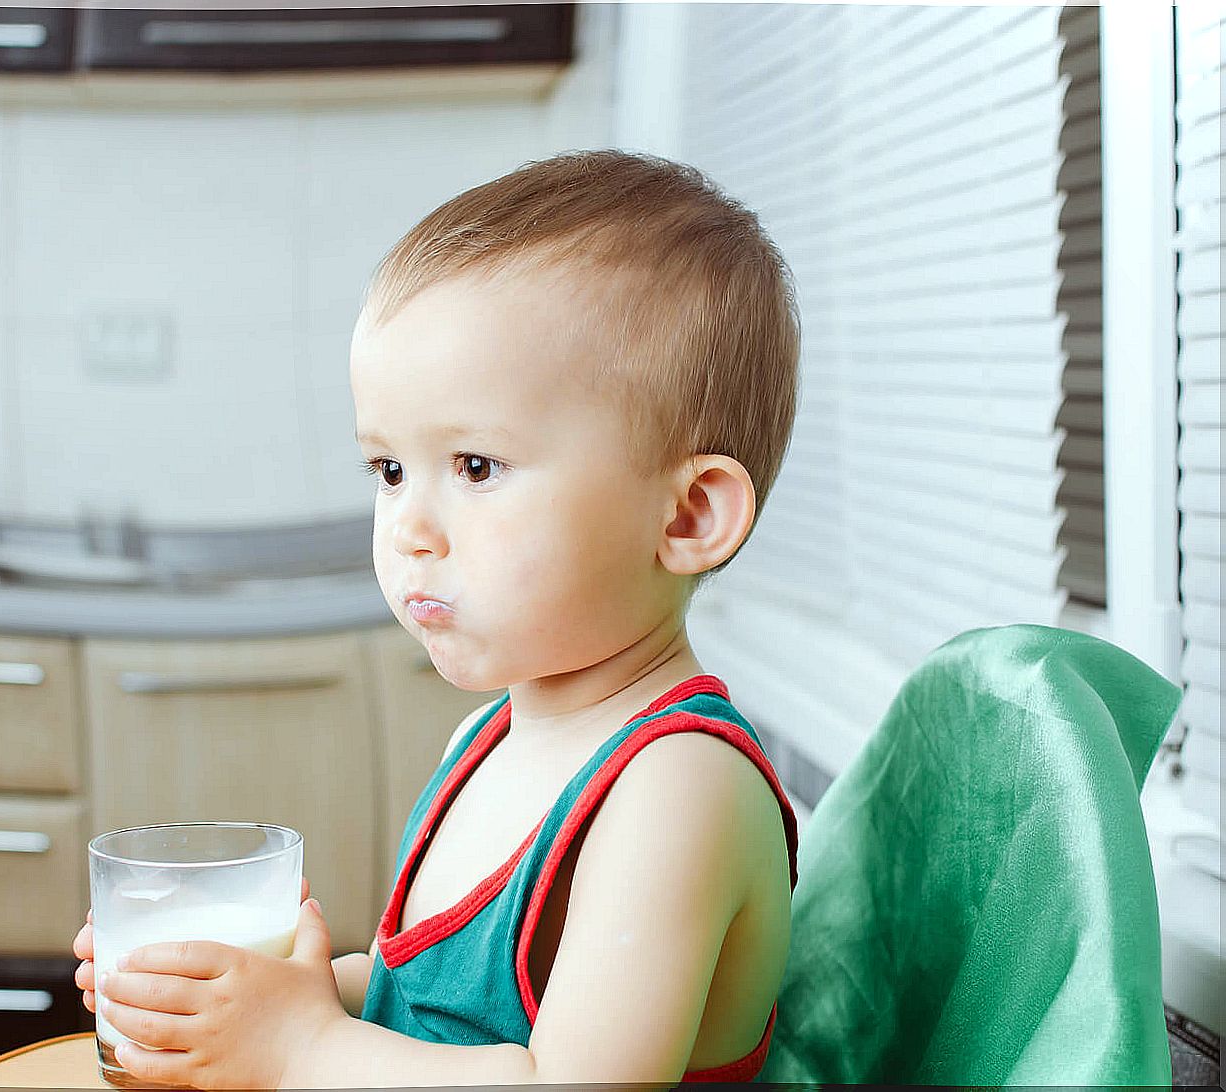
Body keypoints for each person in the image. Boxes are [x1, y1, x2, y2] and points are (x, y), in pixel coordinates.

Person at [72, 149, 801, 1088]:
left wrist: (301, 1048)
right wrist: (249, 999)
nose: (408, 527)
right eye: (388, 470)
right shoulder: (485, 739)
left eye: (475, 467)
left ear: (688, 516)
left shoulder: (677, 788)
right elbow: (425, 1005)